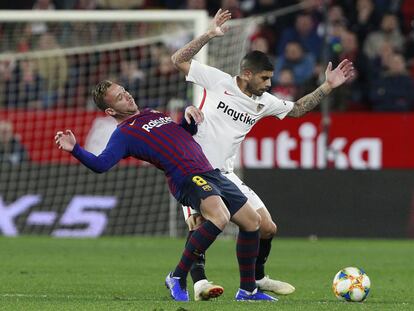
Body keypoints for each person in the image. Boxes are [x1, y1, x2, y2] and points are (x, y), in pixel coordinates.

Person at [171, 8, 355, 301]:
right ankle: (199, 283)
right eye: (265, 78)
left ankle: (255, 280)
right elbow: (178, 60)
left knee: (267, 227)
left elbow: (296, 109)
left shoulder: (264, 101)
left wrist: (327, 86)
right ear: (246, 74)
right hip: (195, 168)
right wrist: (208, 33)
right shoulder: (218, 81)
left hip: (226, 173)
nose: (269, 84)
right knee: (200, 226)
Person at [54, 79, 277, 302]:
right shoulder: (123, 135)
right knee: (219, 217)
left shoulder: (152, 113)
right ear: (111, 110)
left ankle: (247, 291)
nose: (128, 95)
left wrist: (188, 119)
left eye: (124, 91)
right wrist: (75, 149)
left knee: (252, 222)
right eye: (120, 97)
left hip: (210, 171)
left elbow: (180, 135)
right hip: (186, 176)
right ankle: (177, 276)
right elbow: (101, 164)